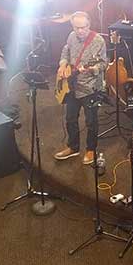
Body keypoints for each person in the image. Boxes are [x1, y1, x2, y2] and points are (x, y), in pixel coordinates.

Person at [54, 11, 107, 165]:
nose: (80, 31)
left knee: (91, 121)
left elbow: (103, 63)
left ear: (89, 25)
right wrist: (63, 63)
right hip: (71, 85)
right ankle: (73, 147)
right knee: (70, 118)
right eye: (77, 28)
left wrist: (91, 69)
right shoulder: (71, 36)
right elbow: (66, 50)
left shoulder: (98, 41)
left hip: (90, 88)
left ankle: (91, 149)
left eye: (83, 27)